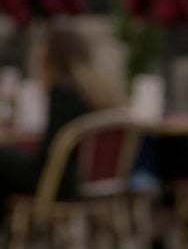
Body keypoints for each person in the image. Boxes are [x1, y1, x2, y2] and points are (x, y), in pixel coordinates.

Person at [0, 24, 120, 211]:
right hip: (89, 180)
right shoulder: (96, 91)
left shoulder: (63, 92)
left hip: (60, 182)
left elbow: (49, 154)